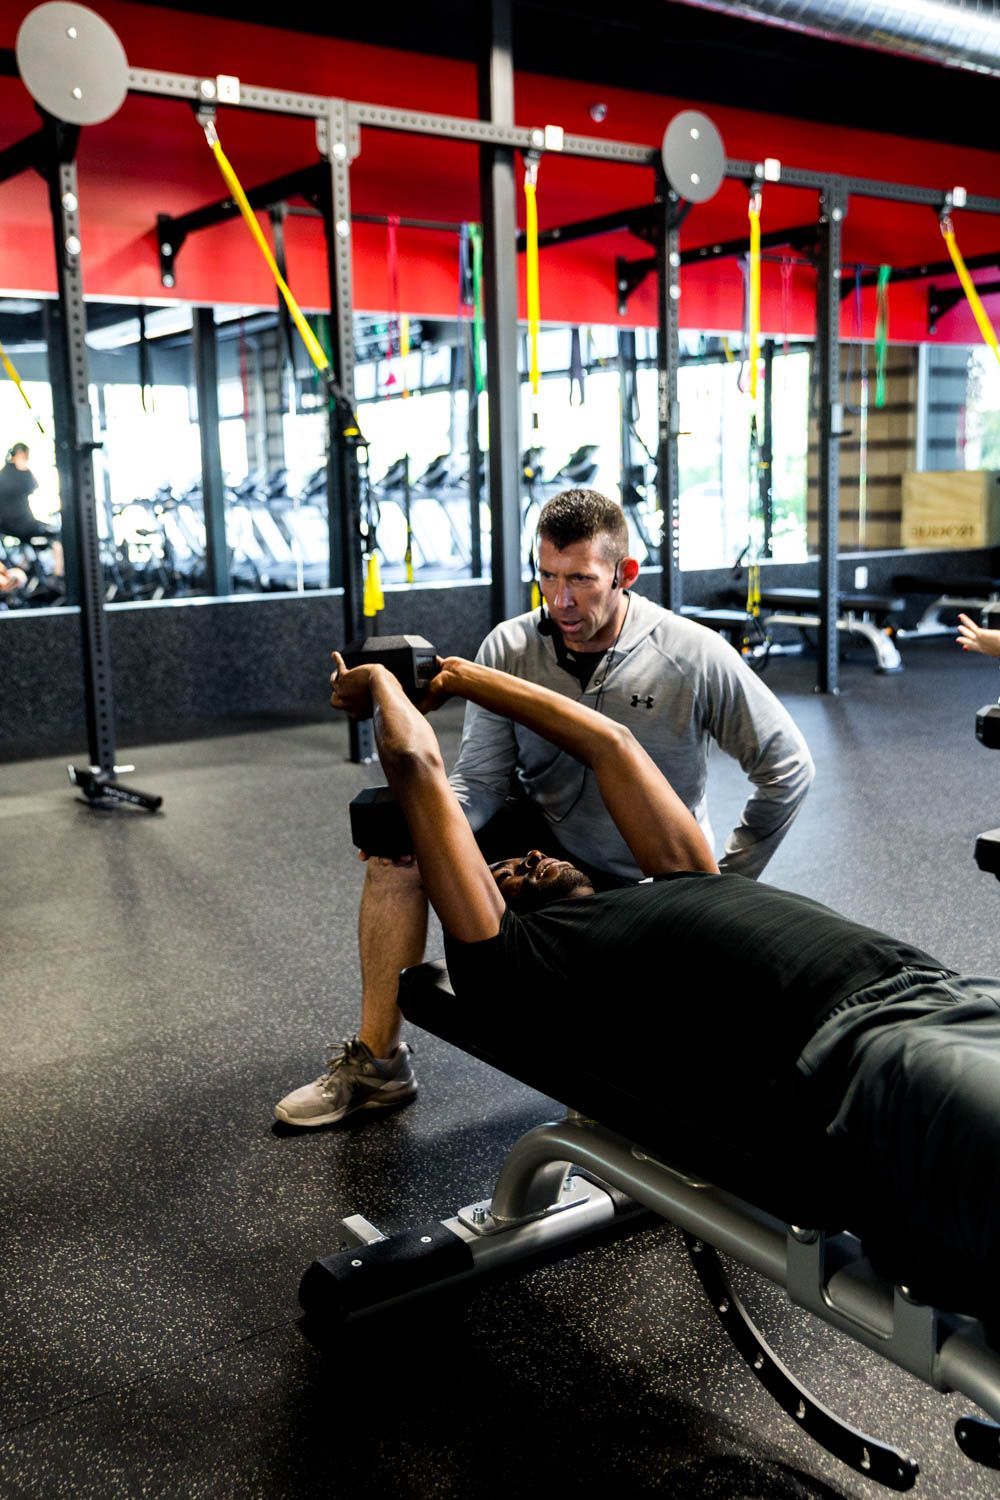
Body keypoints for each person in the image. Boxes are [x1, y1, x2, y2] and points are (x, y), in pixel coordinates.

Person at [326, 649, 1000, 1329]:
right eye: (504, 872)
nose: (528, 856)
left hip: (955, 994)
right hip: (869, 1058)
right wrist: (384, 682)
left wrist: (467, 678)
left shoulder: (678, 874)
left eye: (525, 855)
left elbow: (608, 741)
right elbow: (416, 767)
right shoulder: (516, 960)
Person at [275, 488, 814, 1127]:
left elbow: (787, 770)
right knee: (399, 856)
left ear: (624, 574)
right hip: (544, 847)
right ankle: (379, 1062)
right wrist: (417, 829)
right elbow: (480, 785)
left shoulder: (690, 654)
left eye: (582, 581)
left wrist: (723, 885)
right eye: (548, 578)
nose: (561, 601)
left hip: (649, 872)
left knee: (645, 1087)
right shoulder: (508, 648)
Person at [0, 443, 63, 579]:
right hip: (21, 524)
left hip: (8, 526)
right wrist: (24, 468)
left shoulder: (3, 473)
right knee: (57, 535)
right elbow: (33, 485)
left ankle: (29, 569)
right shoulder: (18, 475)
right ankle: (57, 577)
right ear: (21, 455)